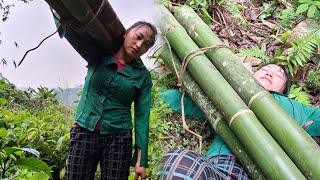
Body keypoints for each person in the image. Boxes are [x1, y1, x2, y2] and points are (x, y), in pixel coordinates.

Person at [157, 64, 320, 180]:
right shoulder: (227, 94)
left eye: (278, 75)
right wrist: (149, 93)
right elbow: (187, 102)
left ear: (283, 90)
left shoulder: (296, 108)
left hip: (278, 172)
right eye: (265, 69)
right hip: (223, 168)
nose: (270, 73)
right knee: (179, 161)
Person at [61, 21, 157, 180]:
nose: (139, 44)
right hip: (84, 131)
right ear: (126, 33)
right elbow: (71, 32)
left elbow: (142, 117)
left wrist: (141, 161)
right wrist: (57, 11)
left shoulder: (143, 76)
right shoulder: (98, 54)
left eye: (146, 44)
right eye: (138, 37)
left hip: (118, 139)